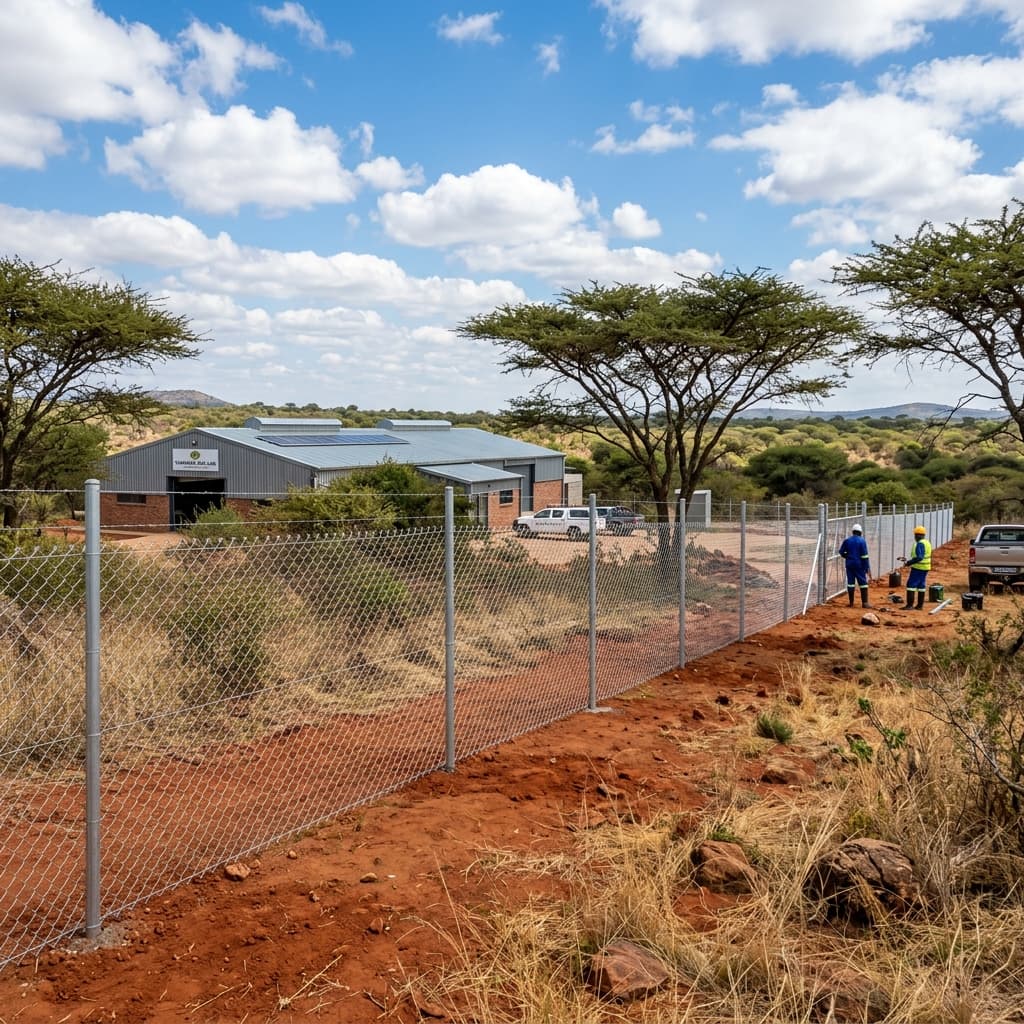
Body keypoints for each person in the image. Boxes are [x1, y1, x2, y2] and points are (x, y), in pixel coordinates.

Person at [838, 523, 871, 607]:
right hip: (859, 565)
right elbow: (864, 556)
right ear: (860, 532)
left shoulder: (847, 540)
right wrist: (866, 568)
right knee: (863, 583)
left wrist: (848, 557)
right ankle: (865, 603)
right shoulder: (862, 541)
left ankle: (851, 603)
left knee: (851, 583)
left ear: (853, 532)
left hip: (849, 565)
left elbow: (841, 552)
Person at [901, 525, 932, 610]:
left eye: (915, 535)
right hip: (925, 567)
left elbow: (920, 557)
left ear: (917, 535)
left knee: (911, 585)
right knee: (921, 586)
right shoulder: (927, 542)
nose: (915, 537)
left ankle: (909, 605)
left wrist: (909, 563)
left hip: (918, 568)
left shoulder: (920, 544)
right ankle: (919, 606)